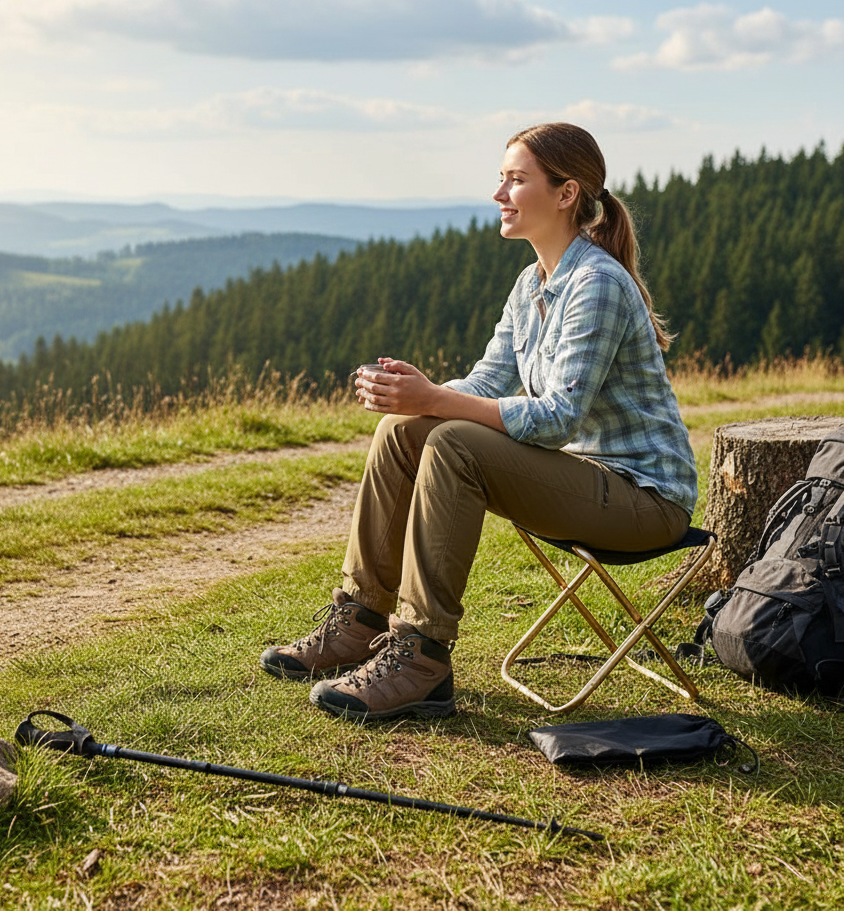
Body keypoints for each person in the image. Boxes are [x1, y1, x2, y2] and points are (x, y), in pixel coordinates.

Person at [259, 122, 697, 721]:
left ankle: (421, 656)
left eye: (516, 180)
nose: (499, 194)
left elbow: (556, 419)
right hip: (583, 480)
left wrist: (438, 402)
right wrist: (418, 396)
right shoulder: (531, 283)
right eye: (501, 178)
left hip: (644, 500)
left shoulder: (596, 284)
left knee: (455, 444)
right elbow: (488, 383)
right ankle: (360, 621)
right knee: (404, 432)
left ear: (566, 194)